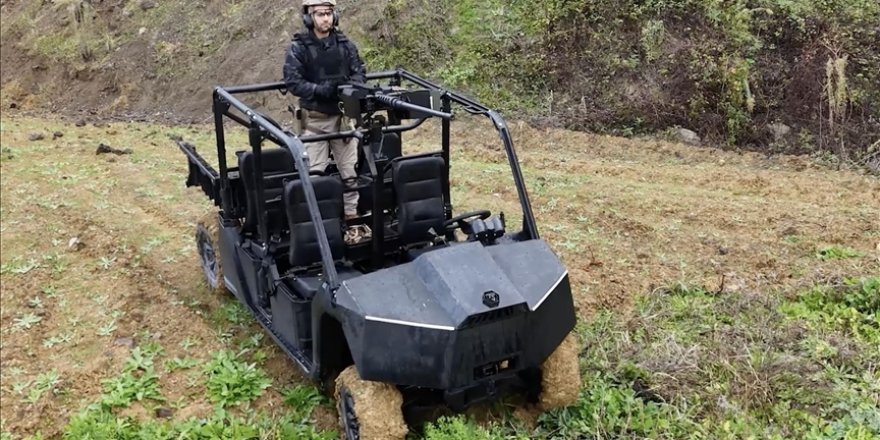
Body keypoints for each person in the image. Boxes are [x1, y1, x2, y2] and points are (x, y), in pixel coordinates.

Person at [283, 0, 366, 220]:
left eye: (329, 13)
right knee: (315, 174)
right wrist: (320, 90)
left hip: (343, 118)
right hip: (315, 121)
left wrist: (347, 89)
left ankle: (351, 215)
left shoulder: (345, 45)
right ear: (309, 18)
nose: (326, 18)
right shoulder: (299, 47)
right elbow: (293, 81)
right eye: (320, 14)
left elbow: (359, 73)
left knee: (349, 172)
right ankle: (320, 220)